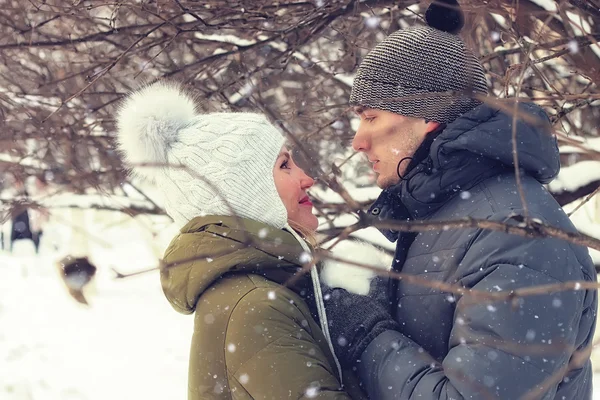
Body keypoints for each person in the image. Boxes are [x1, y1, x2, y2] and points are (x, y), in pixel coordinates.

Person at [322, 1, 597, 399]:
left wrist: (369, 337)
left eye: (370, 117)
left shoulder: (516, 236)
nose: (357, 141)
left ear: (427, 118)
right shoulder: (451, 216)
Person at [116, 82, 365, 399]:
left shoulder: (264, 287)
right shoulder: (255, 305)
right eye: (284, 165)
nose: (306, 178)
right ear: (246, 194)